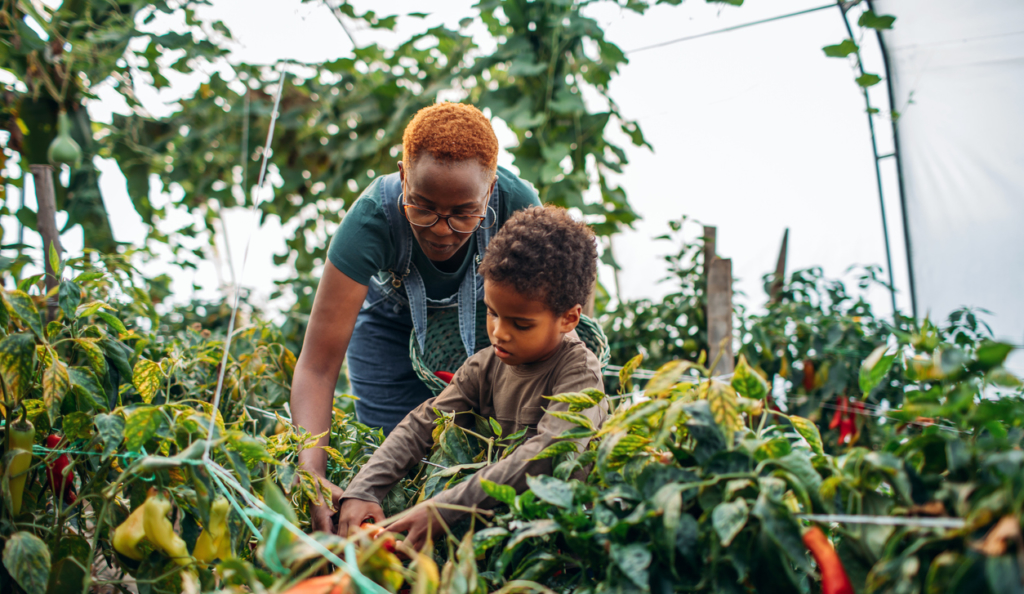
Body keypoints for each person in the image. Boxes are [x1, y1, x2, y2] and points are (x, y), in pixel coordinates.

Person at [291, 103, 542, 534]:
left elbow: (551, 322)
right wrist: (310, 472)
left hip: (488, 324)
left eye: (465, 213)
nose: (442, 230)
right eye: (422, 208)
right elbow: (316, 366)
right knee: (392, 462)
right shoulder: (372, 217)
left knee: (492, 448)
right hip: (389, 327)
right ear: (404, 177)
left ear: (491, 190)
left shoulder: (520, 208)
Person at [335, 206, 607, 549]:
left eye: (521, 324)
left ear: (569, 318)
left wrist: (446, 506)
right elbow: (426, 421)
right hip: (496, 528)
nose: (499, 334)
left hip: (561, 538)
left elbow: (549, 454)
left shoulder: (578, 373)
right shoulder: (486, 365)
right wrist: (365, 488)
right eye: (493, 313)